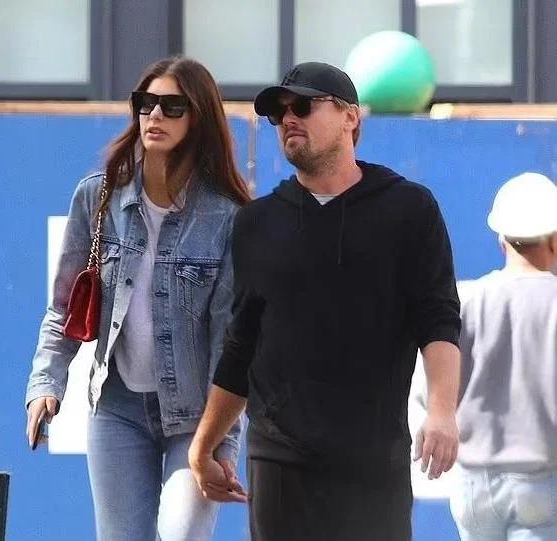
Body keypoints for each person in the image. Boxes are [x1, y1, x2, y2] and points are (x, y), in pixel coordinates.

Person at [188, 61, 461, 541]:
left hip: (374, 461)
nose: (288, 119)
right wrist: (204, 444)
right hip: (280, 461)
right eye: (279, 113)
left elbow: (438, 319)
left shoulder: (409, 210)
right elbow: (241, 345)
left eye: (303, 106)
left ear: (350, 117)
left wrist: (442, 410)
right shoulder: (256, 223)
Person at [25, 56, 250, 541]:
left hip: (196, 418)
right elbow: (64, 307)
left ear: (199, 118)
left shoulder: (227, 216)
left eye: (173, 106)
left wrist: (223, 442)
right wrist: (46, 383)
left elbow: (230, 344)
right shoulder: (98, 198)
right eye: (146, 103)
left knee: (182, 534)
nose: (156, 115)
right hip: (118, 408)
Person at [450, 172, 557, 541]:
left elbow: (437, 386)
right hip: (541, 479)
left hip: (472, 483)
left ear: (501, 240)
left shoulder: (465, 300)